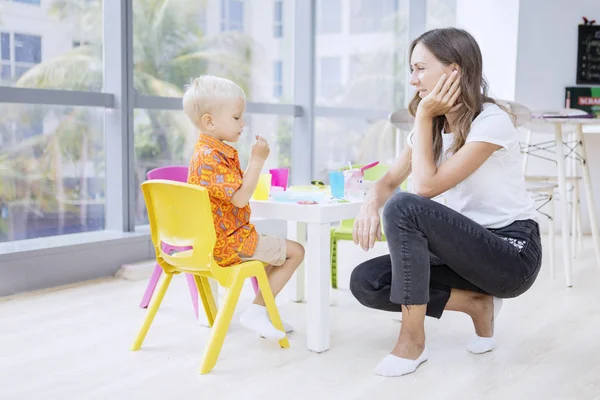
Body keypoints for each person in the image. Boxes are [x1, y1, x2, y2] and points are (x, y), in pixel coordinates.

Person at [349, 28, 542, 377]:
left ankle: (411, 342)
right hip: (459, 253)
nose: (413, 80)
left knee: (405, 206)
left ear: (454, 70)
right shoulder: (431, 129)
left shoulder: (492, 121)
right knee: (367, 281)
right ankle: (475, 304)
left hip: (510, 254)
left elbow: (423, 189)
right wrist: (367, 206)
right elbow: (389, 182)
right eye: (412, 70)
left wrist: (423, 116)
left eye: (420, 68)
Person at [184, 75, 305, 341]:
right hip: (229, 244)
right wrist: (258, 160)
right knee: (295, 252)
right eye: (237, 117)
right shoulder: (211, 157)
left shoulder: (205, 153)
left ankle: (265, 310)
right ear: (210, 121)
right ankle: (259, 310)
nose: (243, 123)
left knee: (272, 256)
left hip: (215, 242)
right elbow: (240, 198)